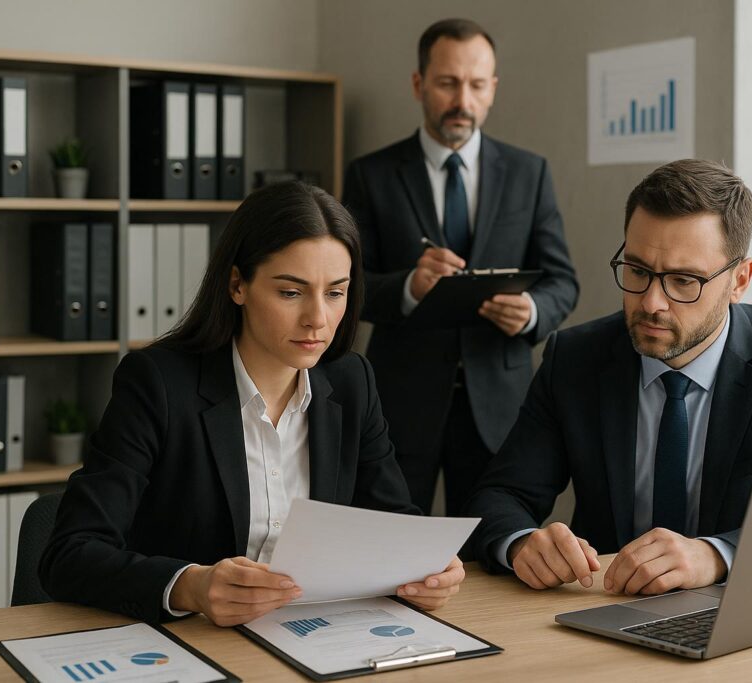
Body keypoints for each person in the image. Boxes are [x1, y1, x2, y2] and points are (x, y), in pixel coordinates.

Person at [40, 182, 464, 626]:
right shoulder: (158, 383)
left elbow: (394, 523)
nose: (318, 319)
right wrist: (191, 587)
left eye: (335, 292)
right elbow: (70, 553)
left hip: (313, 636)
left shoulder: (350, 381)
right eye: (291, 292)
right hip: (189, 644)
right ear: (237, 285)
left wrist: (428, 569)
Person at [465, 159, 752, 596]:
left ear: (740, 280)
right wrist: (522, 543)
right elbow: (499, 496)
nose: (652, 302)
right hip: (605, 611)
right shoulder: (576, 358)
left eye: (683, 280)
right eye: (638, 271)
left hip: (749, 613)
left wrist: (717, 554)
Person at [343, 18, 578, 516]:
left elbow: (562, 279)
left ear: (492, 89)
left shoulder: (529, 172)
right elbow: (347, 287)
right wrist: (409, 286)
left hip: (500, 404)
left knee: (492, 556)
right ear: (418, 83)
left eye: (476, 85)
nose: (462, 101)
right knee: (391, 552)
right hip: (400, 404)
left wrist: (533, 312)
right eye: (448, 83)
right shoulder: (371, 175)